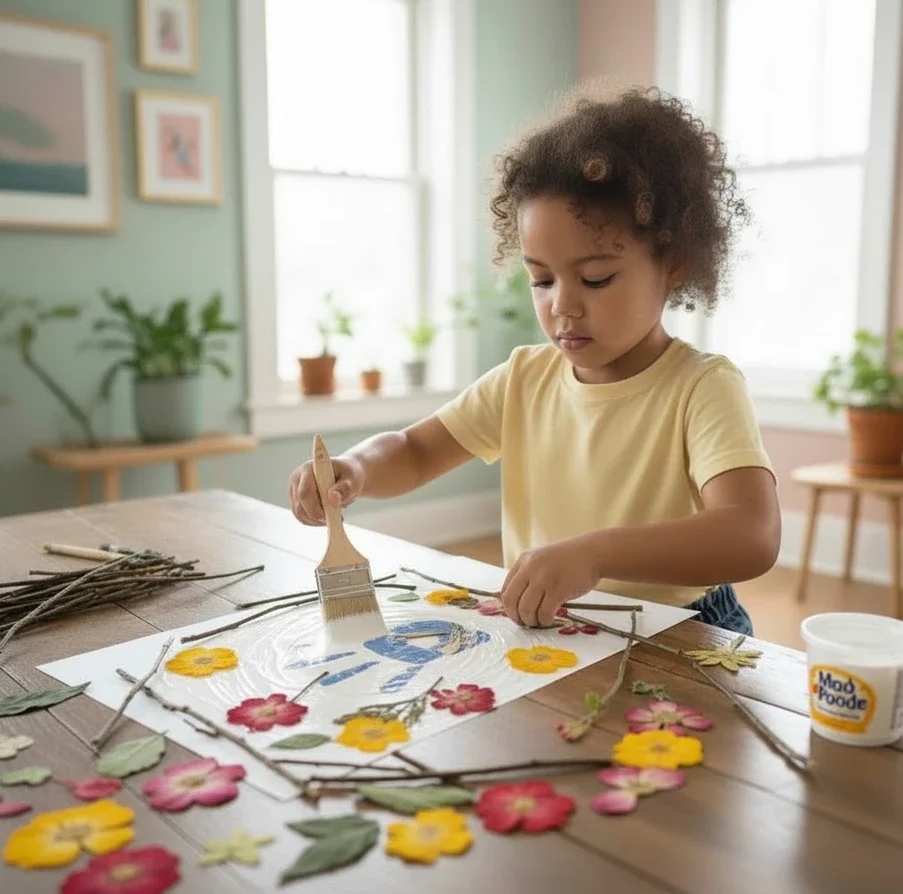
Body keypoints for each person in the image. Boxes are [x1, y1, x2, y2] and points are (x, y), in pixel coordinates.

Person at [288, 85, 780, 636]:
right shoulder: (524, 378)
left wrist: (595, 555)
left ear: (674, 262)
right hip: (555, 626)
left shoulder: (701, 387)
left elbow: (751, 535)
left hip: (681, 629)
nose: (562, 305)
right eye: (541, 279)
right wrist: (355, 470)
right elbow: (416, 449)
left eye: (595, 278)